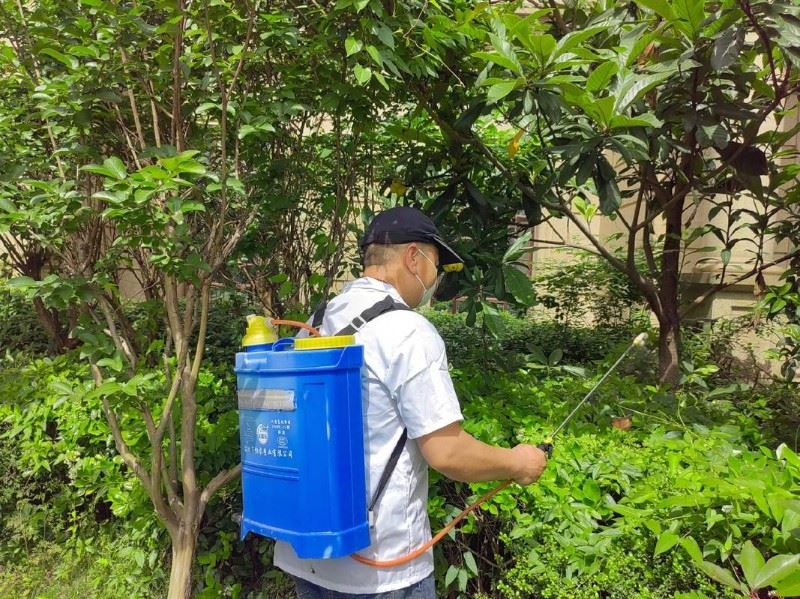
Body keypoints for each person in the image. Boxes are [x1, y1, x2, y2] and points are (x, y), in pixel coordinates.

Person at [273, 206, 547, 598]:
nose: (435, 280)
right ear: (413, 257)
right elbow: (447, 452)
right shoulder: (408, 330)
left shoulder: (318, 320)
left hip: (308, 552)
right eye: (436, 266)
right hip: (383, 567)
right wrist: (518, 462)